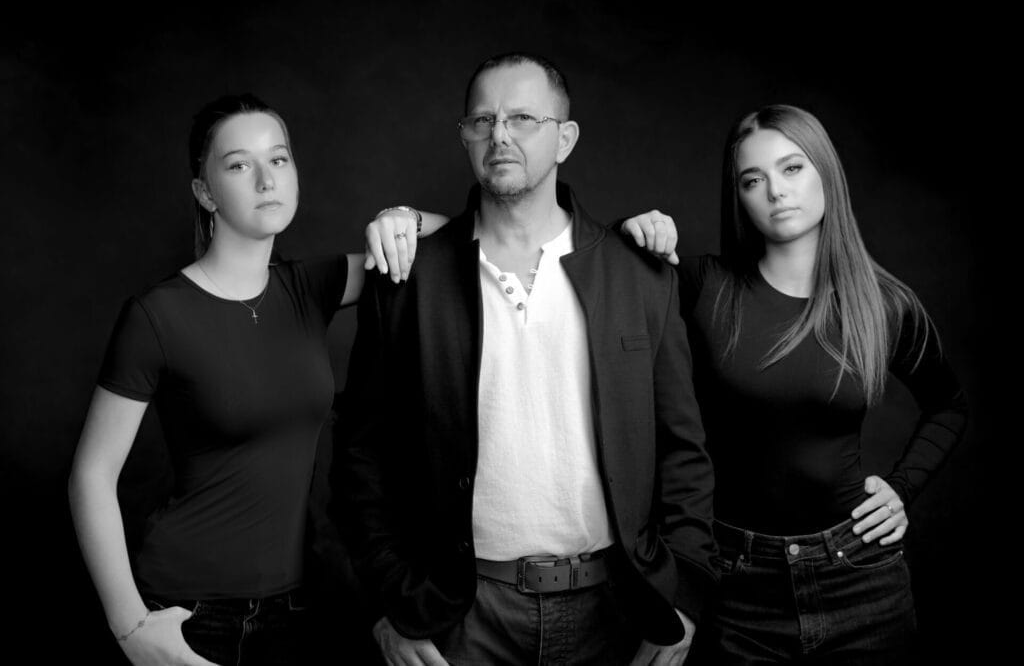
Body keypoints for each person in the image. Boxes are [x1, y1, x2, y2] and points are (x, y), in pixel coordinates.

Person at [332, 52, 716, 666]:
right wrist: (389, 607)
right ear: (464, 137)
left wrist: (686, 598)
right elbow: (360, 460)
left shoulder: (636, 272)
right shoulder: (410, 278)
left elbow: (684, 452)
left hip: (617, 607)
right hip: (458, 615)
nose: (499, 135)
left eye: (523, 119)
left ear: (565, 138)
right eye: (481, 121)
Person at [68, 93, 445, 666]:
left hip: (295, 608)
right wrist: (132, 630)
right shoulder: (157, 316)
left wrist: (404, 218)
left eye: (281, 159)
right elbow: (91, 477)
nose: (267, 178)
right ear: (205, 193)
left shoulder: (308, 288)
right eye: (240, 164)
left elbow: (451, 244)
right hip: (185, 610)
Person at [622, 104, 969, 664]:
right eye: (752, 180)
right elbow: (601, 288)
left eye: (793, 169)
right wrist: (628, 235)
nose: (775, 192)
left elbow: (948, 406)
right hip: (736, 583)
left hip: (861, 578)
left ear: (826, 173)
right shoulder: (704, 287)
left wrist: (902, 488)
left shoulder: (885, 305)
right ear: (738, 197)